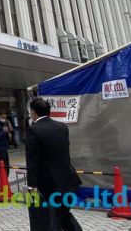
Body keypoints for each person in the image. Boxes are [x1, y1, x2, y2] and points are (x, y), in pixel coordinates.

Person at [26, 98, 82, 231]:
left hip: (49, 183)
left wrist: (32, 185)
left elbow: (33, 161)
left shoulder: (34, 130)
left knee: (53, 217)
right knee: (63, 214)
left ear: (33, 112)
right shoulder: (62, 127)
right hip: (68, 179)